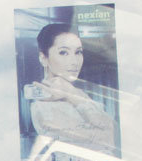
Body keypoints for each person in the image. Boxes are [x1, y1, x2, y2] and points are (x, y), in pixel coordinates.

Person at [29, 24, 115, 152]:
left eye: (78, 52)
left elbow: (111, 131)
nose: (74, 61)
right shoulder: (43, 105)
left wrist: (71, 93)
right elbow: (107, 140)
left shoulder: (74, 93)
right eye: (63, 52)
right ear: (43, 58)